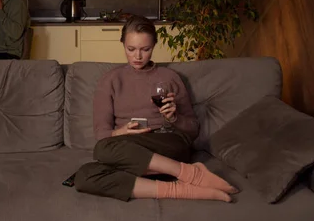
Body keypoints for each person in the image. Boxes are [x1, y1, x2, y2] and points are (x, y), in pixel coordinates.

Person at [74, 16, 238, 202]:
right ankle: (182, 185)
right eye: (131, 49)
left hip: (167, 144)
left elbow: (193, 130)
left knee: (104, 151)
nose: (138, 56)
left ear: (154, 46)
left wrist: (174, 118)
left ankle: (190, 176)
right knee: (84, 175)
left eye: (145, 49)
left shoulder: (169, 77)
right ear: (123, 44)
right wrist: (120, 132)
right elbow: (101, 134)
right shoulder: (110, 81)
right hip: (129, 149)